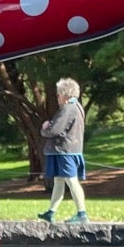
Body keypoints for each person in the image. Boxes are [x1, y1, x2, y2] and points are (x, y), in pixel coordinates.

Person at [38, 77, 89, 224]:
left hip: (64, 151)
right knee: (59, 181)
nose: (57, 97)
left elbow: (55, 130)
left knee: (72, 181)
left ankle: (82, 214)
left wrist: (45, 128)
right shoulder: (78, 107)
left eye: (59, 94)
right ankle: (51, 212)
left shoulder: (68, 109)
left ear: (65, 94)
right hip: (70, 150)